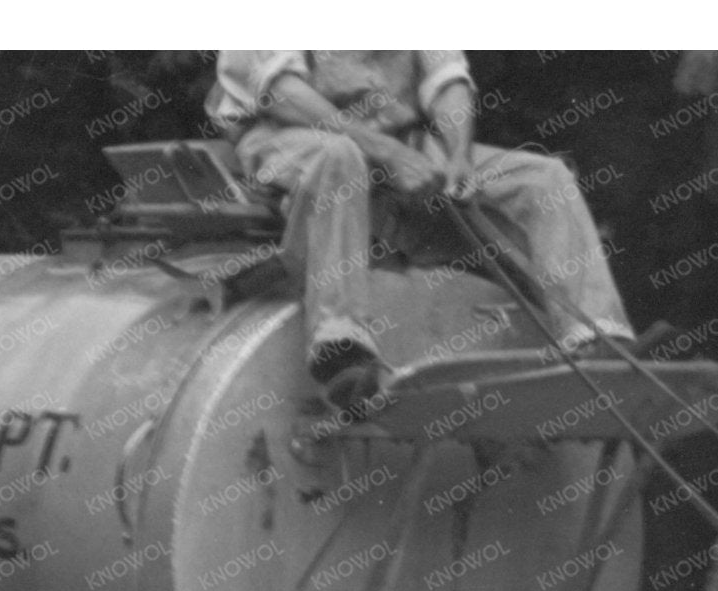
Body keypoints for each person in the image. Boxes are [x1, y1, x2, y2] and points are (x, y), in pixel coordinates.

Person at [210, 51, 636, 416]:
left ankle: (597, 340)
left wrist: (459, 156)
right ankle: (340, 347)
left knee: (544, 179)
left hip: (399, 142)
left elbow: (446, 77)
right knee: (339, 158)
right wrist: (386, 152)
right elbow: (281, 91)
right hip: (291, 134)